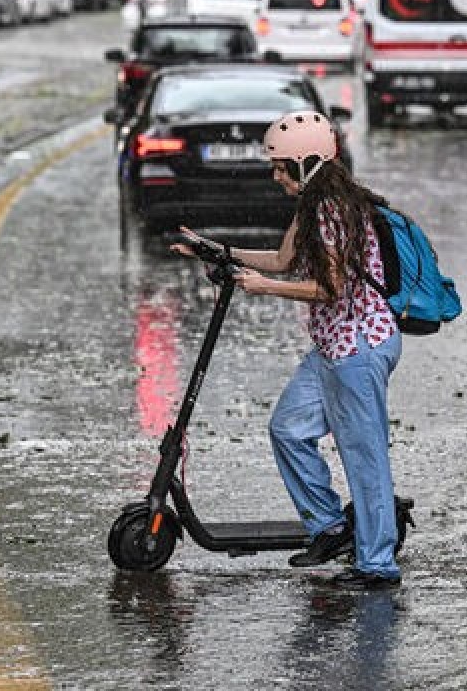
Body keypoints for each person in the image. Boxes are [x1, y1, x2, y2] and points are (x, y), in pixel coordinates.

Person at [170, 110, 403, 590]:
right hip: (331, 346)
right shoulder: (312, 205)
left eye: (281, 167)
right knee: (288, 429)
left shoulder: (334, 210)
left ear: (309, 163)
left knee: (364, 456)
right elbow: (282, 259)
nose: (275, 177)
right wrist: (217, 251)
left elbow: (332, 287)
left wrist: (264, 288)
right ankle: (329, 527)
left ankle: (378, 566)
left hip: (358, 348)